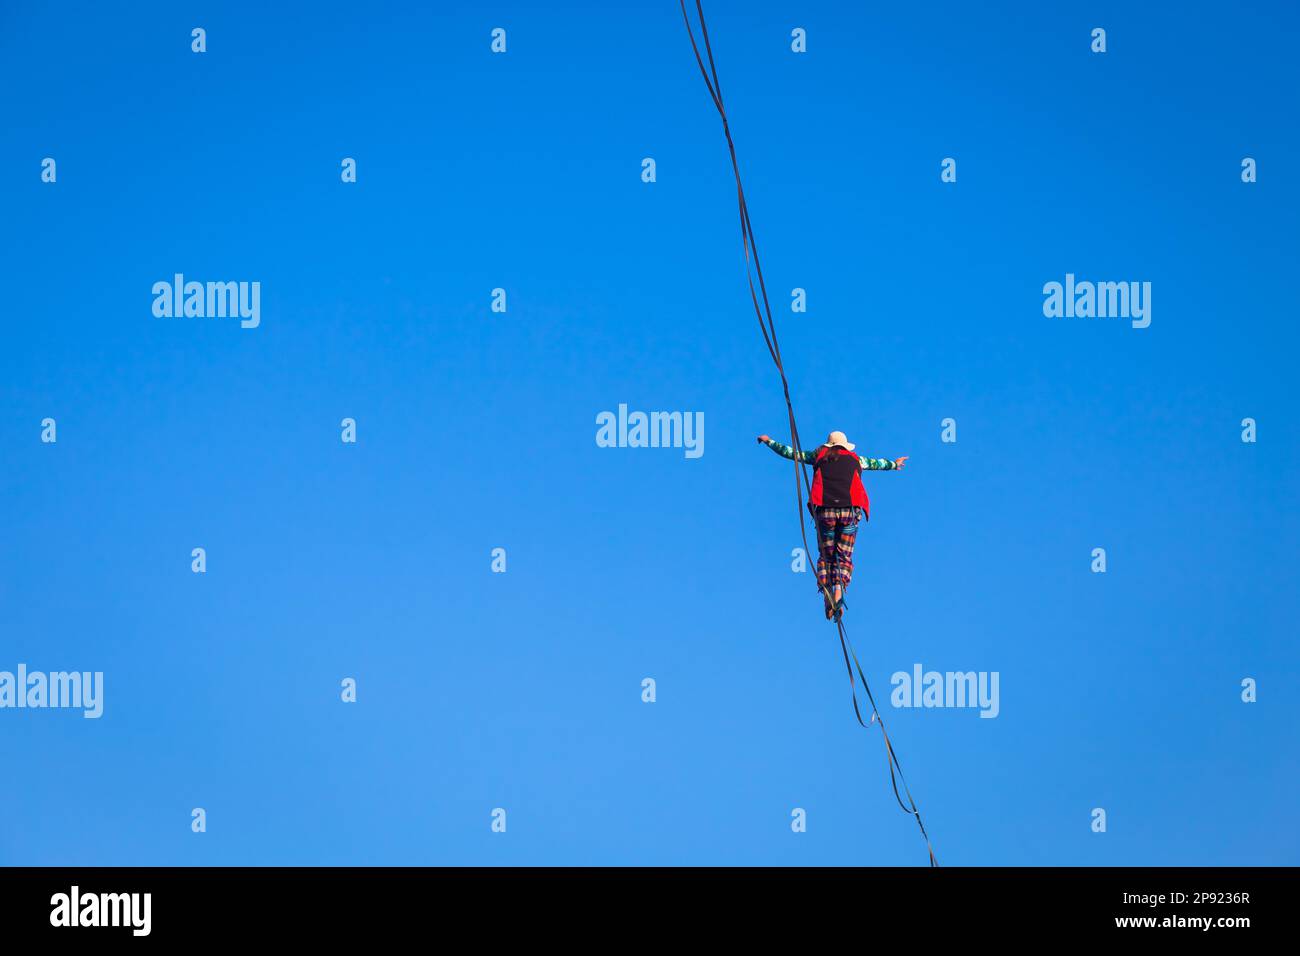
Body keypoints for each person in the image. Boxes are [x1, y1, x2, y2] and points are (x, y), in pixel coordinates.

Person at [757, 431, 907, 620]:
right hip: (849, 511)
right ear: (845, 446)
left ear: (829, 445)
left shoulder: (818, 456)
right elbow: (878, 463)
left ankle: (827, 591)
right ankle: (839, 590)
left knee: (826, 556)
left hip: (825, 511)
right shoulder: (856, 459)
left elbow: (791, 453)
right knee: (843, 556)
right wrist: (894, 464)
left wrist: (769, 441)